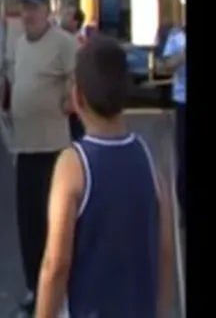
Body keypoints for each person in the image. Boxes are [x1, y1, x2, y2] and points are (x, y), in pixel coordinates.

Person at [34, 33, 176, 318]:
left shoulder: (73, 164)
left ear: (77, 97)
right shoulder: (149, 159)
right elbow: (165, 250)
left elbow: (56, 264)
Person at [9, 0, 79, 317]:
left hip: (53, 150)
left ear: (47, 11)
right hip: (25, 148)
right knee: (28, 225)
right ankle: (34, 289)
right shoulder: (20, 44)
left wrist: (69, 100)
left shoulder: (64, 43)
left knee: (55, 225)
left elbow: (77, 79)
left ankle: (59, 292)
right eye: (24, 8)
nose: (28, 14)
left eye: (33, 8)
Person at [159, 0, 186, 224]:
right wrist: (182, 56)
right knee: (183, 158)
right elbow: (166, 66)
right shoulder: (177, 37)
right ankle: (183, 211)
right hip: (183, 102)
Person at [60, 6, 87, 141]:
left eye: (68, 14)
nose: (63, 16)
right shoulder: (64, 40)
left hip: (73, 104)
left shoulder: (78, 43)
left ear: (75, 22)